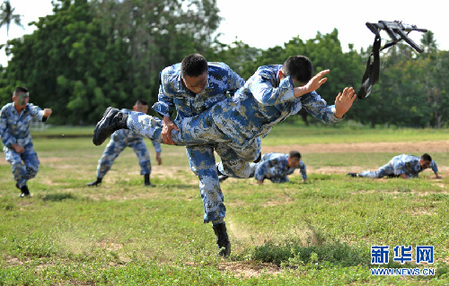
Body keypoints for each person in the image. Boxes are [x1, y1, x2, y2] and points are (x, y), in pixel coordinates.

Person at [93, 54, 356, 256]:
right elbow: (265, 98)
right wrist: (165, 119)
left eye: (300, 87)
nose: (298, 90)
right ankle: (121, 117)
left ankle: (220, 171)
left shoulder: (296, 88)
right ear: (280, 74)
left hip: (241, 140)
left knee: (243, 171)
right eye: (293, 85)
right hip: (214, 123)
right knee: (176, 142)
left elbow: (325, 113)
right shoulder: (263, 76)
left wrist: (338, 112)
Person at [87, 100, 162, 187]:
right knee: (106, 158)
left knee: (145, 158)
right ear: (134, 108)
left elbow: (152, 134)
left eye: (145, 109)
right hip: (118, 139)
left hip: (135, 140)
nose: (142, 111)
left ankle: (147, 182)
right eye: (140, 108)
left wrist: (158, 152)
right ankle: (98, 180)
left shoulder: (146, 120)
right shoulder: (125, 113)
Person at [0, 87, 52, 197]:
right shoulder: (5, 111)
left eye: (27, 97)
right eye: (22, 97)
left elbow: (37, 111)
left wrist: (44, 114)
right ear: (14, 98)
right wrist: (14, 146)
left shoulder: (28, 108)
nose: (25, 100)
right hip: (11, 145)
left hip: (26, 144)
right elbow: (2, 132)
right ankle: (24, 188)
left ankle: (20, 181)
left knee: (33, 169)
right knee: (17, 163)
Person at [347, 153, 440, 179]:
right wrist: (404, 177)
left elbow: (434, 164)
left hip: (405, 170)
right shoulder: (410, 161)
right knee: (377, 175)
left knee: (414, 177)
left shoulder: (429, 163)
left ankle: (395, 176)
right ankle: (360, 174)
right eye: (425, 164)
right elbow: (398, 164)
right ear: (421, 161)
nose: (427, 166)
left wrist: (436, 175)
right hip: (394, 163)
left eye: (428, 164)